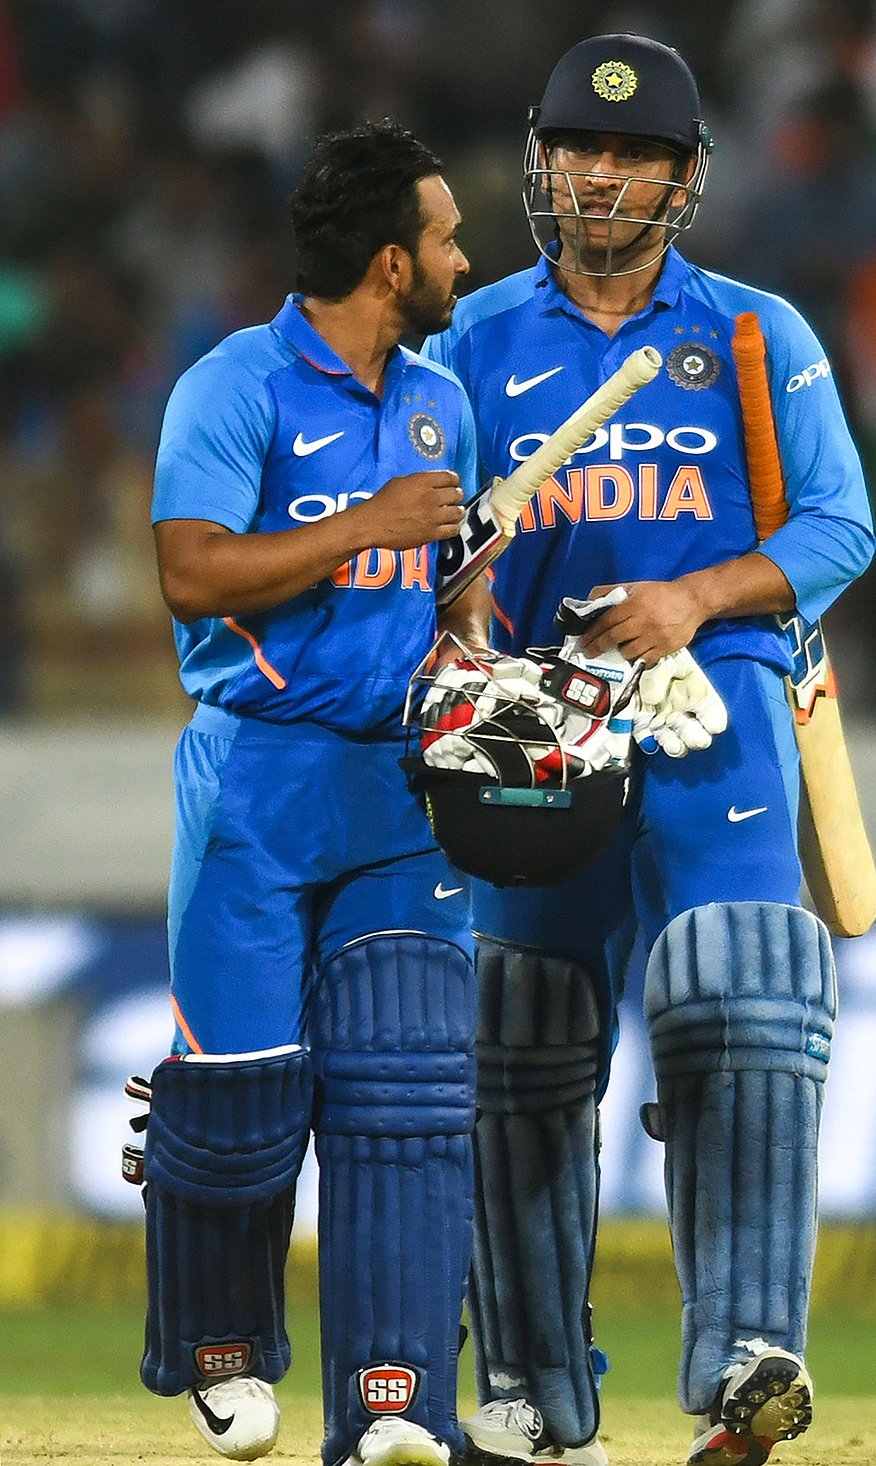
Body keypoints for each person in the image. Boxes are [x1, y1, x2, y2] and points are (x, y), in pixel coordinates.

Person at [423, 33, 874, 1466]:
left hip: (711, 688)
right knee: (517, 1032)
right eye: (580, 149)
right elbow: (423, 529)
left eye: (635, 156)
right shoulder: (471, 339)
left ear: (685, 180)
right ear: (542, 161)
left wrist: (693, 595)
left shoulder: (752, 333)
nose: (602, 175)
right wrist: (455, 584)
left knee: (739, 981)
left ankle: (748, 1350)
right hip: (532, 710)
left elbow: (836, 526)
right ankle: (538, 1398)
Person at [138, 118, 488, 1466]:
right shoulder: (232, 388)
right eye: (450, 235)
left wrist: (473, 645)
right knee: (235, 1097)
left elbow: (447, 581)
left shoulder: (439, 397)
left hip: (399, 782)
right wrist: (365, 523)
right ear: (393, 262)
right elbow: (192, 575)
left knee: (406, 1093)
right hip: (259, 778)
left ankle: (395, 1400)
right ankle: (223, 1347)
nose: (470, 255)